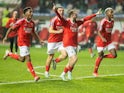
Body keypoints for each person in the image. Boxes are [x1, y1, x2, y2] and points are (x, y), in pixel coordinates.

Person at [53, 4, 101, 80]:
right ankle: (66, 73)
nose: (77, 15)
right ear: (72, 15)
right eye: (75, 14)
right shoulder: (66, 22)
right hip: (68, 44)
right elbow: (60, 17)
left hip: (74, 44)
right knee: (75, 58)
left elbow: (85, 19)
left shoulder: (77, 23)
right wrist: (55, 10)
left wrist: (95, 14)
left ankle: (66, 74)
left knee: (71, 61)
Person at [3, 7, 44, 81]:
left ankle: (9, 53)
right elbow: (11, 28)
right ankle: (35, 76)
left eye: (32, 12)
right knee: (28, 58)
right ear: (25, 14)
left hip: (27, 43)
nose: (31, 13)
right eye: (30, 12)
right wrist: (6, 36)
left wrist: (40, 40)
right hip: (22, 42)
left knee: (22, 59)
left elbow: (33, 32)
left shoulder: (32, 23)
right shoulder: (21, 21)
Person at [93, 7, 117, 77]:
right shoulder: (103, 21)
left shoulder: (112, 21)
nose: (112, 13)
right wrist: (102, 38)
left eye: (113, 12)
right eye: (111, 12)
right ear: (106, 13)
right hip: (101, 41)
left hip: (109, 41)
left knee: (114, 55)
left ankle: (102, 56)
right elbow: (98, 31)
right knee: (100, 56)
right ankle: (95, 72)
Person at [45, 6, 67, 78]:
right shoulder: (54, 20)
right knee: (50, 56)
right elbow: (50, 30)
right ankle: (46, 72)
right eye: (60, 10)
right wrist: (58, 31)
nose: (62, 12)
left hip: (61, 42)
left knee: (65, 55)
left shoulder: (64, 20)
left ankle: (55, 61)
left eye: (63, 10)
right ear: (57, 11)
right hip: (52, 41)